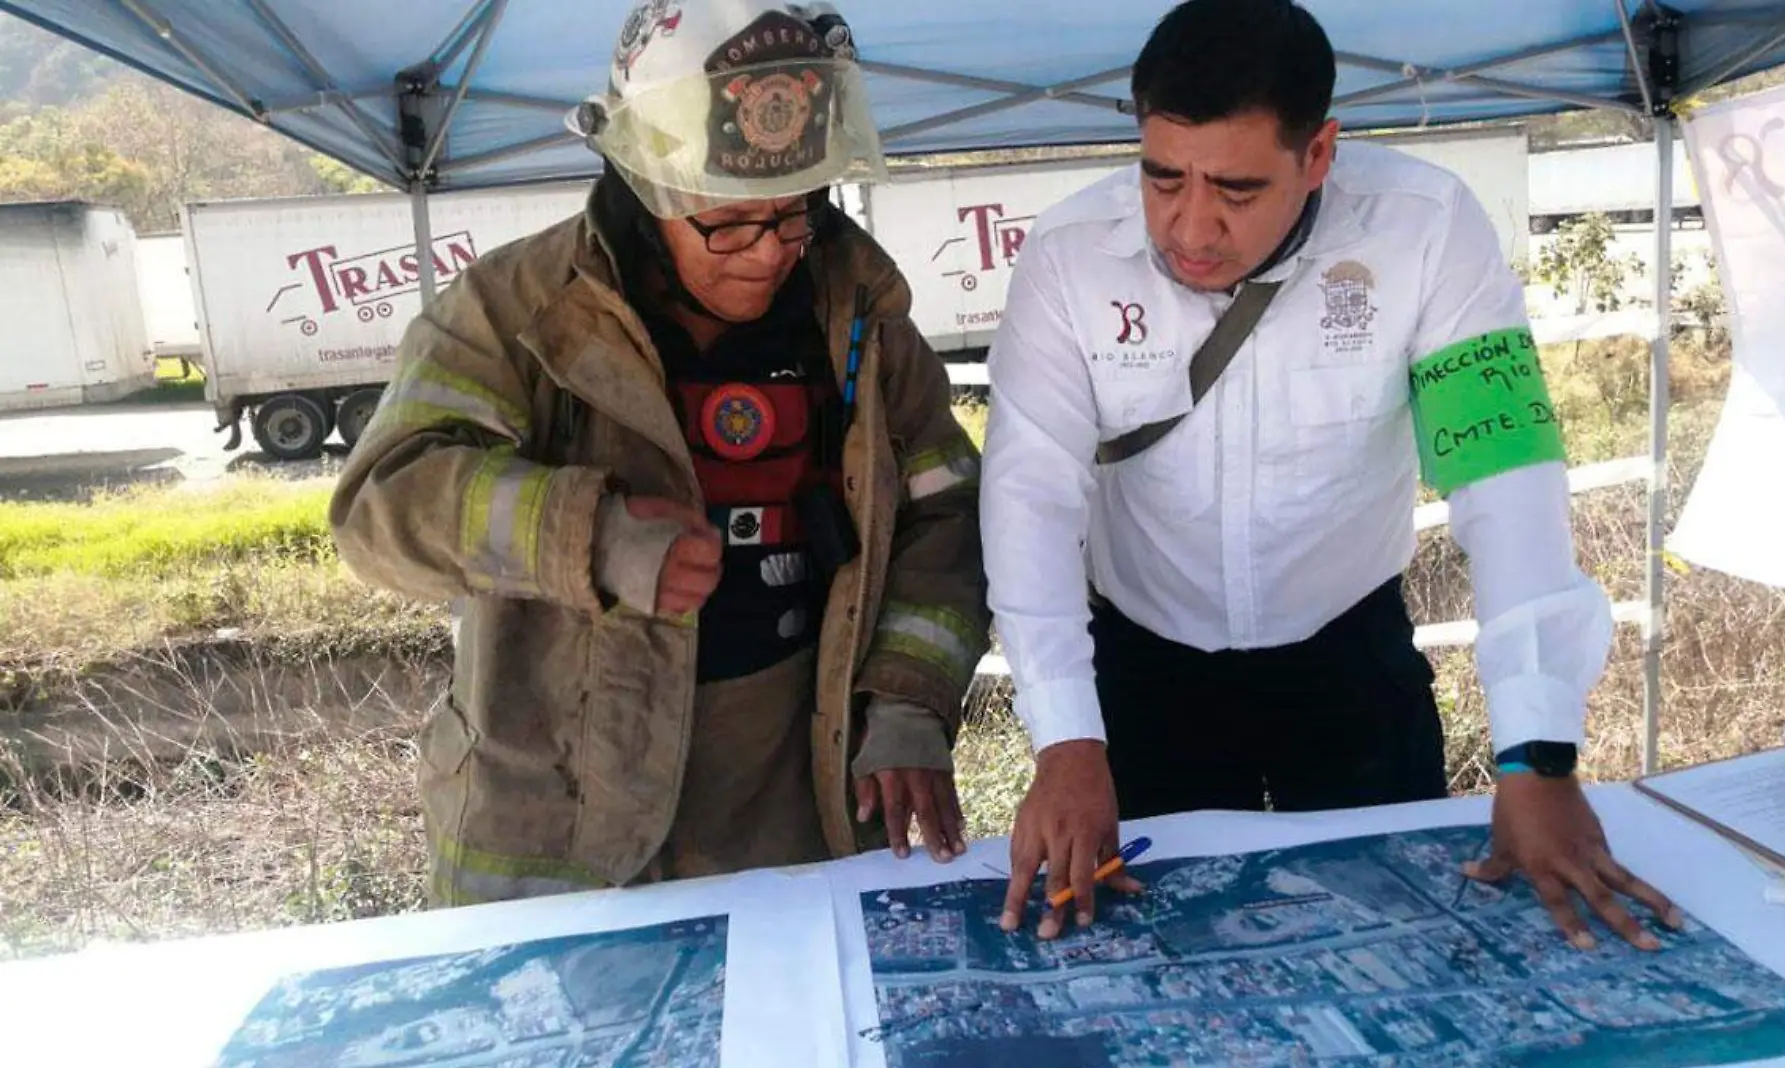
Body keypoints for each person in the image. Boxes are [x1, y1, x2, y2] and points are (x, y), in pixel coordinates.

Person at [981, 0, 1684, 949]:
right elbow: (1030, 495)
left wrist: (1537, 752)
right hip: (1145, 667)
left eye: (1235, 189)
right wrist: (1065, 736)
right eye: (1161, 178)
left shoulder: (1426, 229)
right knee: (1154, 959)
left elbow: (1503, 477)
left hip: (1348, 656)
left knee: (1396, 936)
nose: (1189, 227)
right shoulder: (1069, 259)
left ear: (1319, 155)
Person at [329, 0, 988, 906]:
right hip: (559, 828)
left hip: (796, 801)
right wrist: (585, 535)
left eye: (795, 216)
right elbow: (381, 506)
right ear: (646, 191)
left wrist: (909, 700)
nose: (768, 255)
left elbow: (943, 514)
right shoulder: (516, 313)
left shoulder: (863, 323)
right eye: (728, 223)